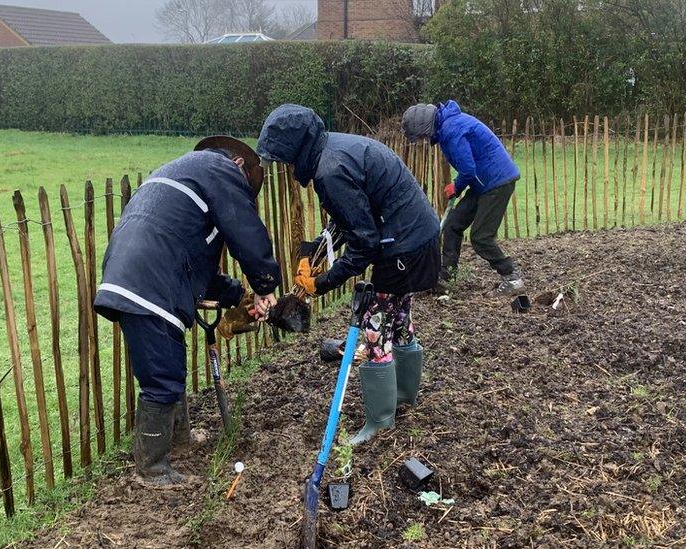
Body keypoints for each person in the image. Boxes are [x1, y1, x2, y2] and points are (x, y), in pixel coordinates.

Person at [95, 136, 281, 486]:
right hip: (150, 280)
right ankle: (152, 469)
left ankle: (178, 441)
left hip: (136, 274)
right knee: (162, 376)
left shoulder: (186, 175)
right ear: (239, 164)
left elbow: (198, 268)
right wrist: (265, 284)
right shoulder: (221, 169)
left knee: (168, 364)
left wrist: (239, 294)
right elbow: (247, 233)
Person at [256, 104, 440, 446]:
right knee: (399, 319)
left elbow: (365, 243)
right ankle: (404, 398)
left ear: (297, 150)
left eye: (286, 160)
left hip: (401, 244)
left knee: (375, 328)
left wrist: (323, 282)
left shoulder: (330, 170)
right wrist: (316, 249)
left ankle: (380, 422)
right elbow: (351, 217)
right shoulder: (333, 148)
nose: (288, 167)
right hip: (415, 237)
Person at [402, 100, 525, 294]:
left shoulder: (451, 130)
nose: (423, 140)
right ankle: (446, 278)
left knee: (481, 237)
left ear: (425, 126)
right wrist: (459, 187)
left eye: (422, 136)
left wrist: (456, 186)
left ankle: (512, 278)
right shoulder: (447, 127)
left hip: (497, 182)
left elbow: (468, 169)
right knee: (452, 225)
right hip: (482, 183)